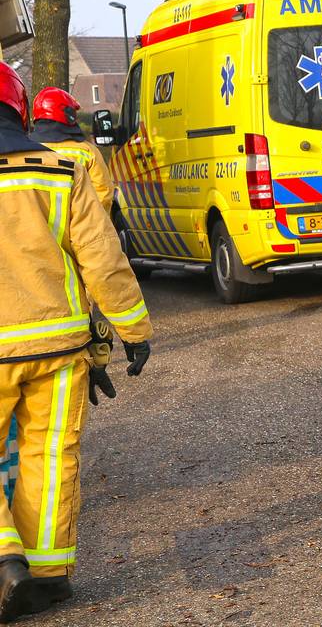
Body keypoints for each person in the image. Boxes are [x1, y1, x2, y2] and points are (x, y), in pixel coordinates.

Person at [0, 63, 153, 620]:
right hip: (60, 347)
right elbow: (103, 259)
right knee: (52, 455)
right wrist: (133, 331)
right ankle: (50, 575)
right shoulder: (63, 172)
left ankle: (4, 562)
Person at [29, 88, 114, 212]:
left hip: (37, 228)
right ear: (68, 114)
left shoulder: (25, 150)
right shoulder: (87, 151)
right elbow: (103, 194)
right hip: (80, 228)